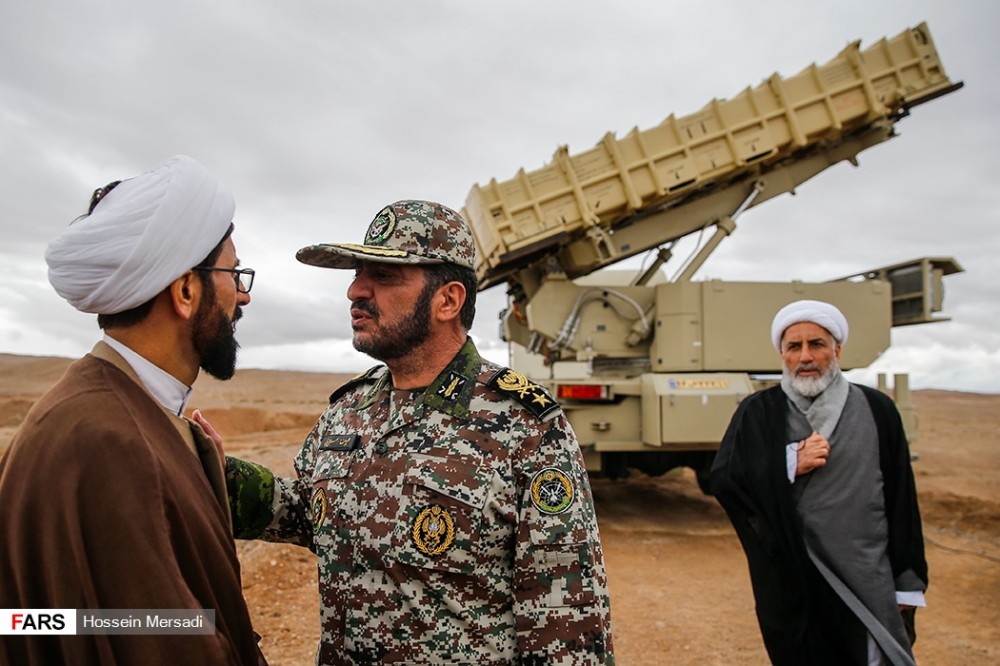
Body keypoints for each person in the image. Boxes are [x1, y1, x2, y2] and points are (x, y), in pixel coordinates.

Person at [219, 200, 614, 664]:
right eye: (357, 274)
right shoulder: (348, 410)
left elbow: (566, 620)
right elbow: (308, 515)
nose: (354, 291)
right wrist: (205, 466)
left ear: (447, 300)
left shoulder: (525, 425)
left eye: (383, 277)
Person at [0, 155, 264, 665]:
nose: (244, 296)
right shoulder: (107, 442)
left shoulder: (128, 415)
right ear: (187, 291)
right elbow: (155, 636)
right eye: (234, 273)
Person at [710, 299, 928, 666]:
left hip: (867, 574)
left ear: (837, 349)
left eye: (817, 344)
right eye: (794, 347)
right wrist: (789, 461)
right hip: (794, 576)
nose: (805, 356)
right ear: (782, 353)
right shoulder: (758, 412)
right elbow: (727, 478)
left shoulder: (878, 410)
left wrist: (908, 580)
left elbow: (902, 498)